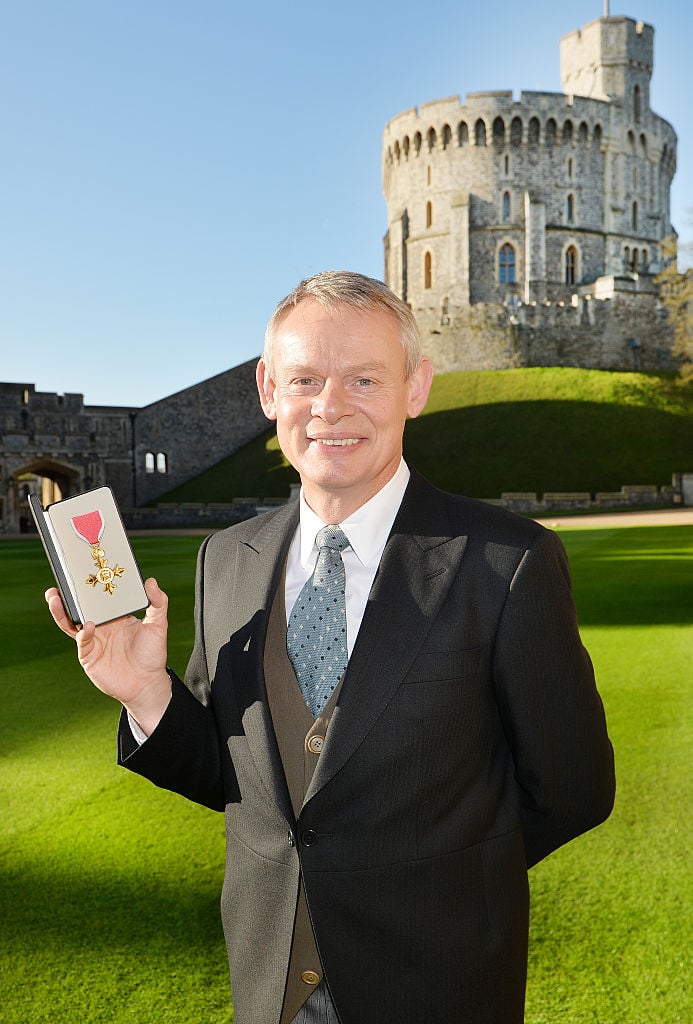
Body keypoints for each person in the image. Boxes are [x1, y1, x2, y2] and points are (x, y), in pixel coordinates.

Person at [46, 270, 615, 1024]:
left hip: (437, 984)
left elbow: (572, 789)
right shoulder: (227, 558)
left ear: (415, 387)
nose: (330, 407)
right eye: (305, 378)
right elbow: (231, 775)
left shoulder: (506, 561)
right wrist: (144, 693)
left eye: (363, 379)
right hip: (271, 984)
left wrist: (436, 879)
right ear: (267, 390)